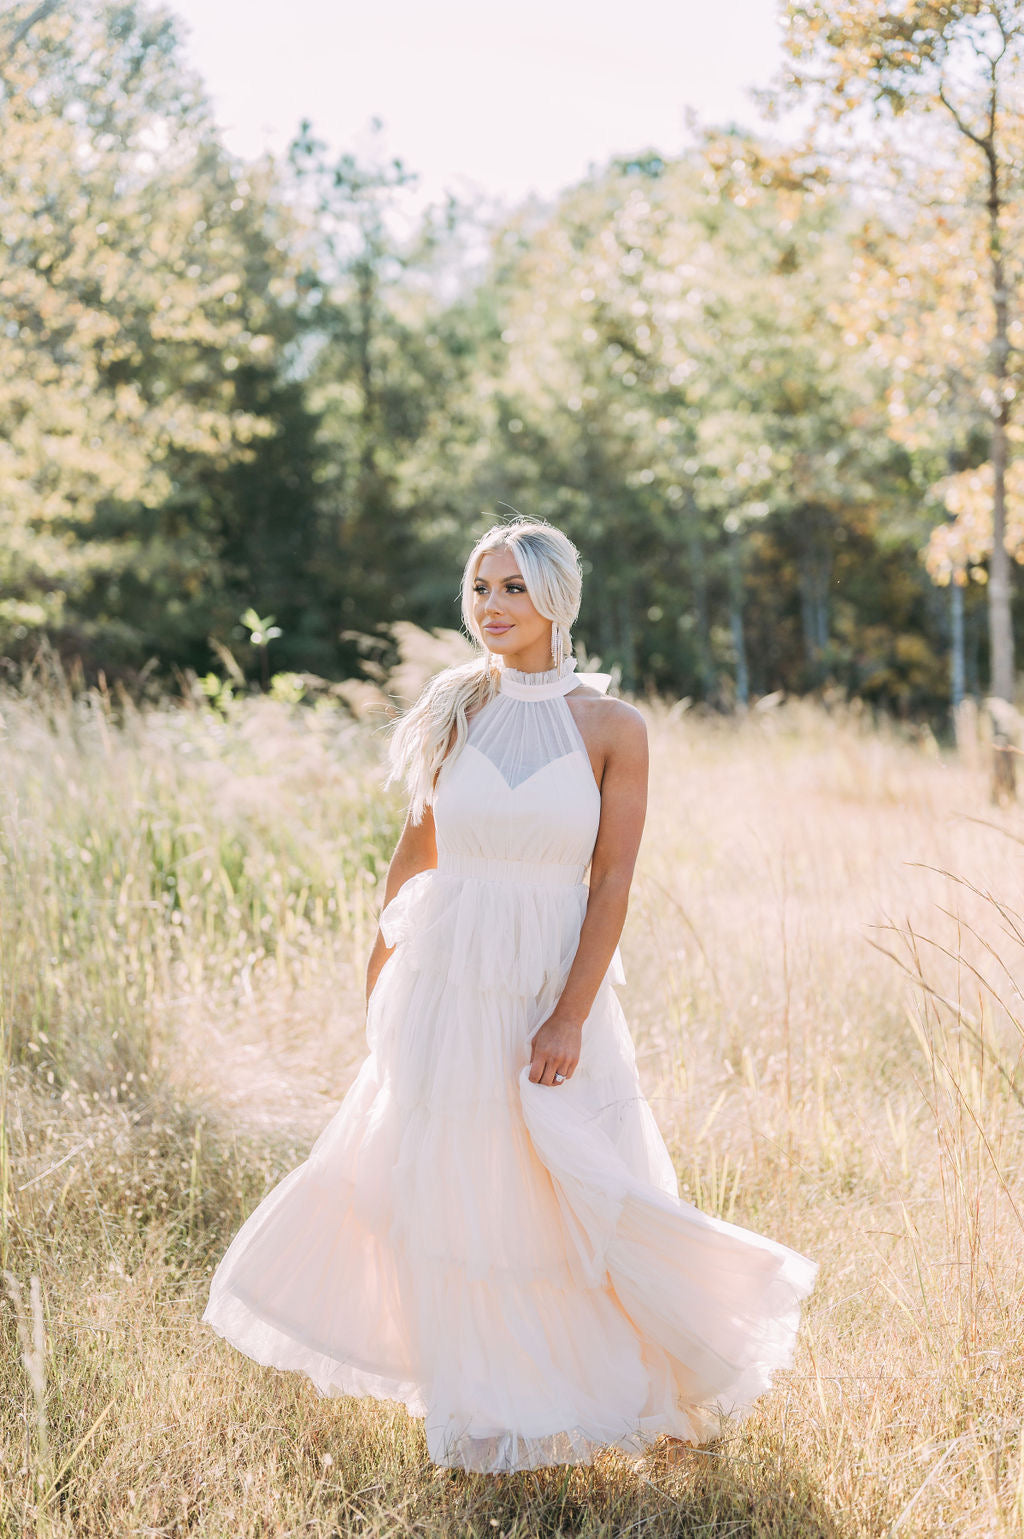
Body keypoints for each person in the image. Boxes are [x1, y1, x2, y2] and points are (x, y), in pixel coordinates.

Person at [203, 517, 816, 1473]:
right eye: (481, 588)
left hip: (546, 981)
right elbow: (415, 852)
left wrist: (568, 1013)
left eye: (513, 588)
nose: (491, 606)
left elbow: (612, 881)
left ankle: (590, 1381)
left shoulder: (614, 727)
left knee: (560, 1182)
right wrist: (379, 974)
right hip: (444, 976)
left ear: (557, 599)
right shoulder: (453, 705)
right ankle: (478, 1400)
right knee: (451, 1183)